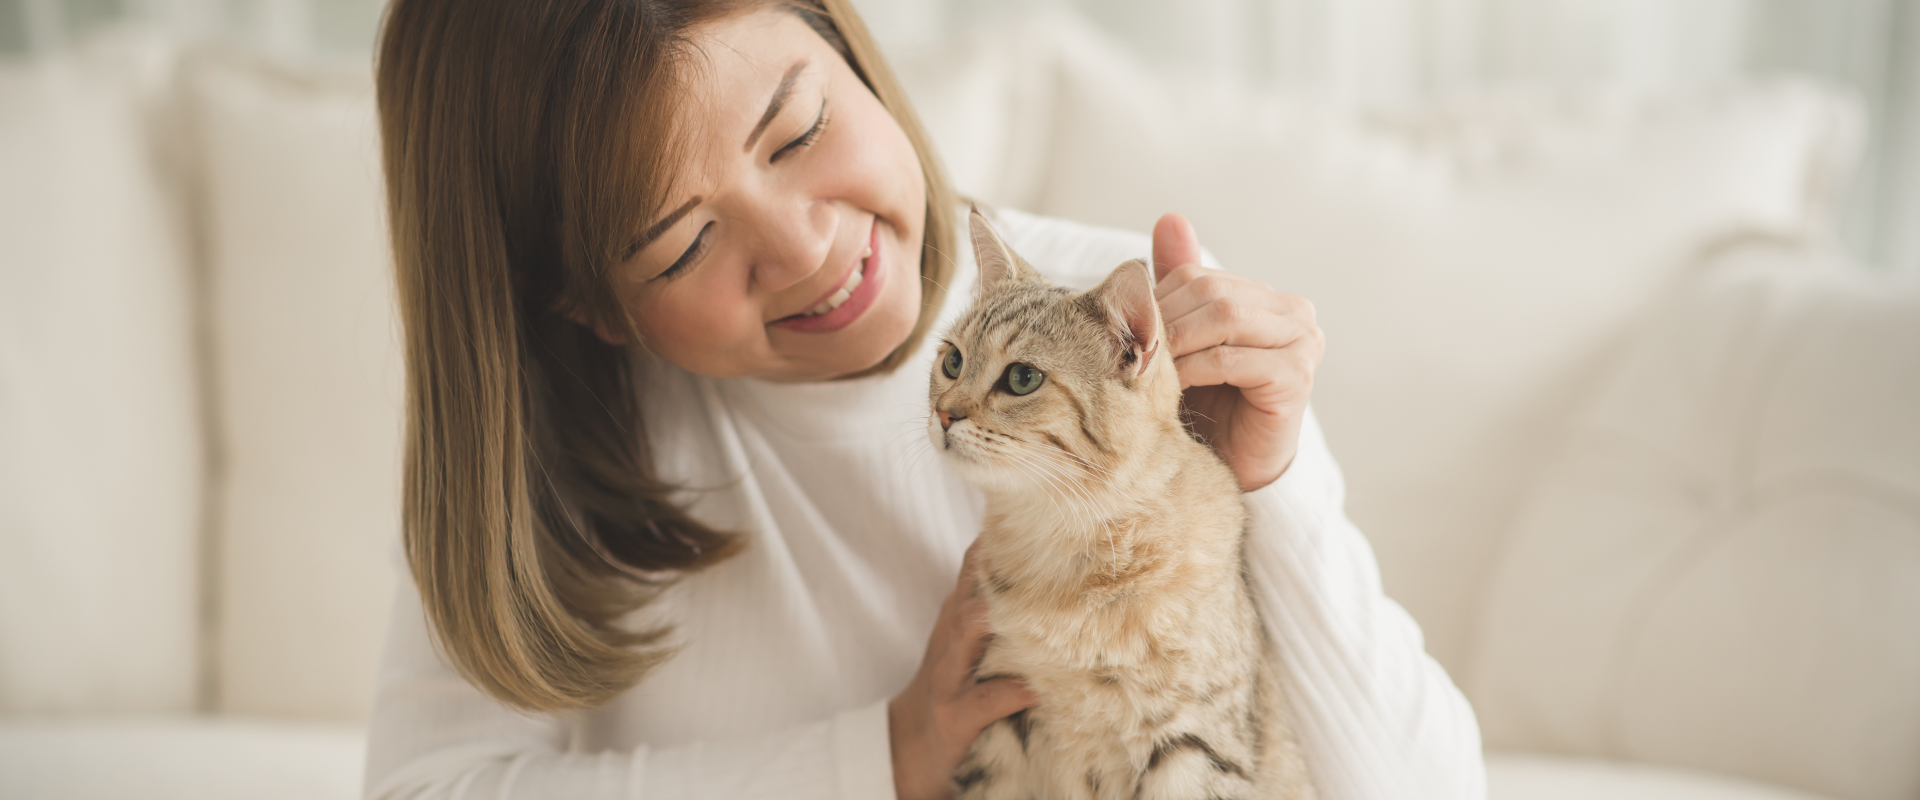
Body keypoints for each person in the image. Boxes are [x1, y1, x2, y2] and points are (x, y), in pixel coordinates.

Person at [362, 0, 1486, 797]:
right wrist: (878, 763)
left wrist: (1269, 488)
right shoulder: (543, 440)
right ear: (587, 308)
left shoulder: (1126, 332)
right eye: (686, 241)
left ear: (845, 43)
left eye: (799, 131)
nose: (808, 249)